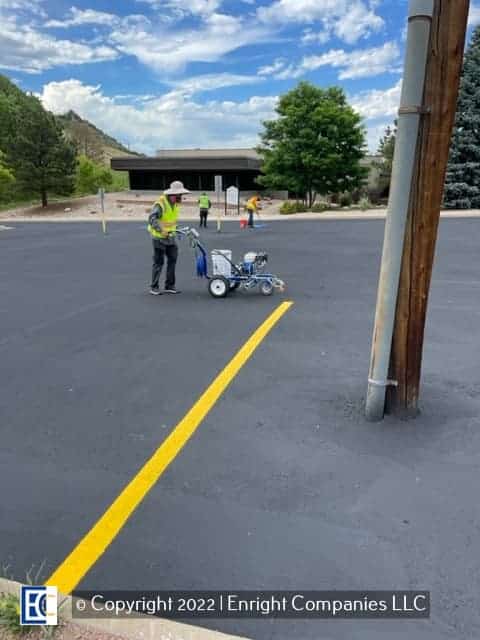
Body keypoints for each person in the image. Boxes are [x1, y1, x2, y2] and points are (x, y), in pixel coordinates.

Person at [148, 180, 190, 295]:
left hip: (171, 238)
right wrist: (161, 230)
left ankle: (169, 285)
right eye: (179, 195)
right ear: (172, 195)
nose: (181, 197)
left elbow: (171, 221)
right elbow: (152, 219)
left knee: (173, 259)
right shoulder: (160, 204)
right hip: (159, 238)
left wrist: (178, 230)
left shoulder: (175, 205)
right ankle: (154, 287)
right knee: (158, 262)